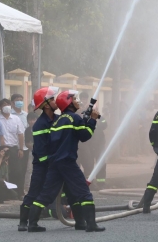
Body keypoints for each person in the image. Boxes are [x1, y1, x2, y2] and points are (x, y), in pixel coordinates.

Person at [27, 90, 105, 233]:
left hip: (55, 163)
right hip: (68, 162)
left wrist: (85, 120)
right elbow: (85, 135)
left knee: (47, 195)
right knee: (84, 193)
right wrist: (92, 120)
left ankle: (32, 224)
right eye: (74, 99)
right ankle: (91, 224)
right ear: (69, 103)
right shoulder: (74, 118)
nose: (77, 101)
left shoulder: (57, 120)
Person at [19, 87, 62, 231]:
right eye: (51, 99)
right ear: (45, 104)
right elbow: (41, 150)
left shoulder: (57, 119)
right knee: (34, 192)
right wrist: (48, 162)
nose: (55, 101)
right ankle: (24, 222)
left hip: (54, 163)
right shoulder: (40, 124)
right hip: (42, 165)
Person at [77, 91, 108, 189]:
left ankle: (101, 183)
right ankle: (90, 182)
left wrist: (97, 117)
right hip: (88, 144)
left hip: (99, 143)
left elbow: (104, 124)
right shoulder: (81, 114)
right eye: (82, 99)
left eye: (85, 99)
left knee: (101, 163)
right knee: (88, 164)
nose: (84, 101)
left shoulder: (96, 114)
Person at [0, 98, 25, 198]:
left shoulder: (16, 119)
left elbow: (20, 134)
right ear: (0, 108)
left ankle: (19, 193)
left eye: (8, 104)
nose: (6, 106)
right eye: (4, 104)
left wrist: (20, 149)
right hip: (2, 149)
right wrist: (3, 148)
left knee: (17, 171)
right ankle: (6, 194)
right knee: (3, 173)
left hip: (14, 148)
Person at [23, 112, 38, 195]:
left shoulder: (42, 128)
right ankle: (27, 191)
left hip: (43, 152)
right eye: (30, 120)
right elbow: (27, 143)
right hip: (32, 152)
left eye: (34, 119)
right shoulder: (28, 130)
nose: (32, 122)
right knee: (29, 170)